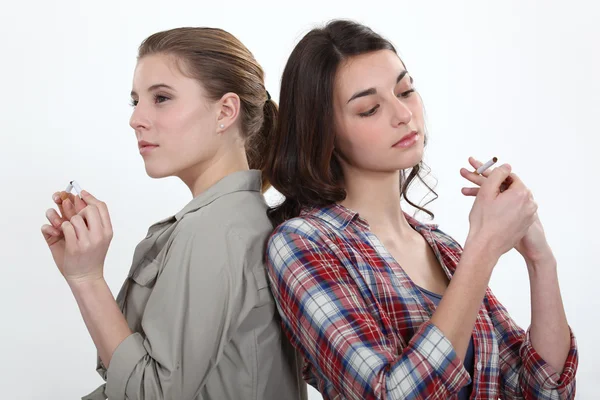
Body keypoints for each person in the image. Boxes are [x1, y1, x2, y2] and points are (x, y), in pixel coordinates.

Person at [264, 20, 578, 399]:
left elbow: (542, 391)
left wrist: (540, 260)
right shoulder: (303, 245)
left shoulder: (442, 247)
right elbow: (393, 394)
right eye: (369, 109)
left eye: (405, 90)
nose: (403, 114)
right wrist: (484, 248)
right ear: (323, 133)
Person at [41, 27, 306, 400]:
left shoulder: (214, 231)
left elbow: (152, 394)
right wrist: (80, 272)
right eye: (135, 101)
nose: (137, 119)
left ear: (225, 111)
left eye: (161, 98)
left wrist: (87, 278)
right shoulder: (237, 219)